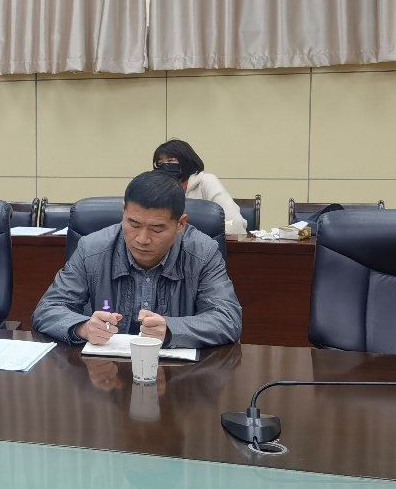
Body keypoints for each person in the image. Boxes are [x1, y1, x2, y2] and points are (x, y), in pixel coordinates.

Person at [32, 170, 241, 348]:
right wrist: (83, 328)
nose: (142, 239)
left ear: (180, 224)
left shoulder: (202, 253)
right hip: (106, 372)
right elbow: (48, 309)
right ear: (124, 211)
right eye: (133, 224)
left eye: (156, 229)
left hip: (177, 374)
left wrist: (171, 330)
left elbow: (227, 319)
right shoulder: (92, 249)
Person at [152, 138, 246, 232]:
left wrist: (215, 237)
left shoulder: (207, 181)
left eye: (170, 161)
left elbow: (233, 222)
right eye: (160, 163)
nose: (165, 166)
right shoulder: (160, 190)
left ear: (186, 161)